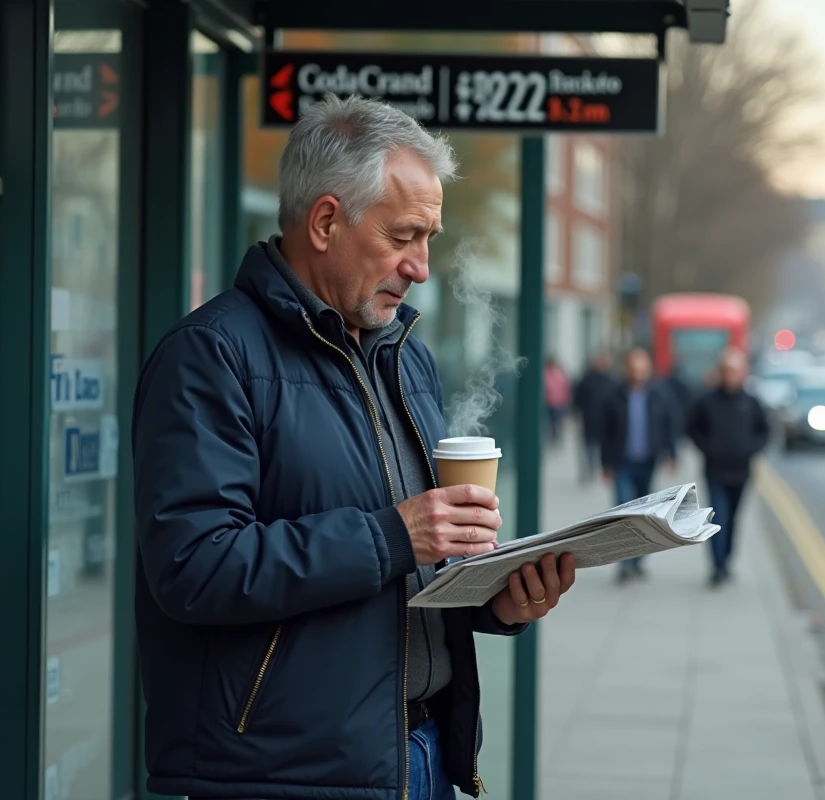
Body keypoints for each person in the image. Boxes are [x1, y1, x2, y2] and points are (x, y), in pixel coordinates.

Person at [131, 94, 576, 800]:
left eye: (429, 238)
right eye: (404, 236)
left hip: (421, 756)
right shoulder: (210, 356)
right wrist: (392, 535)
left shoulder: (405, 355)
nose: (421, 266)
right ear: (325, 222)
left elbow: (412, 566)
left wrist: (498, 602)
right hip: (286, 776)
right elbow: (193, 566)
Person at [687, 347, 770, 586]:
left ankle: (727, 558)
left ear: (742, 373)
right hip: (715, 471)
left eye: (734, 371)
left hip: (741, 472)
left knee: (732, 520)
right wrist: (708, 447)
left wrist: (750, 449)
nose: (729, 375)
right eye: (726, 370)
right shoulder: (707, 401)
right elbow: (693, 428)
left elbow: (764, 431)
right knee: (718, 519)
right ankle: (717, 567)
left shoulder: (751, 403)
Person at [601, 346, 681, 582]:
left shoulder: (659, 394)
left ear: (648, 369)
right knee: (624, 512)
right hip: (622, 462)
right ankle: (625, 563)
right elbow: (606, 431)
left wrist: (672, 454)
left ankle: (637, 560)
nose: (637, 372)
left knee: (644, 514)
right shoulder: (615, 395)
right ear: (626, 369)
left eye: (641, 367)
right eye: (633, 367)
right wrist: (605, 463)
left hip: (648, 462)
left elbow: (669, 424)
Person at [572, 352, 616, 484]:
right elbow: (578, 398)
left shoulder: (611, 381)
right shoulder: (587, 380)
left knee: (604, 446)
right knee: (588, 447)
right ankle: (589, 470)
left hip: (606, 422)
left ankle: (603, 467)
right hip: (589, 419)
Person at [543, 355, 571, 447]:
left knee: (557, 422)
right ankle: (551, 437)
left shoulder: (559, 374)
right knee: (550, 421)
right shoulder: (545, 373)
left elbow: (565, 388)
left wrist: (565, 400)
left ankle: (556, 437)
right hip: (548, 402)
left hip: (558, 402)